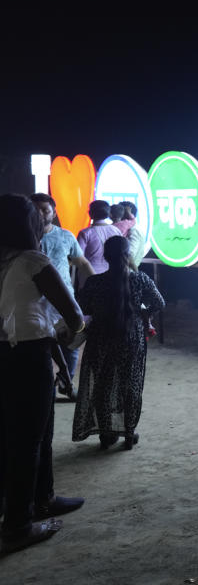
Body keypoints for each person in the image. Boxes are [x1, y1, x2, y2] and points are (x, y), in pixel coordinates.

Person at [0, 194, 85, 555]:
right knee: (31, 439)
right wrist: (73, 330)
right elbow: (73, 314)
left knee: (23, 433)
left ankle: (42, 498)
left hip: (7, 353)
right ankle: (20, 523)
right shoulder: (34, 260)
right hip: (29, 356)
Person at [72, 236, 164, 450]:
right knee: (130, 384)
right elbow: (159, 302)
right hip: (131, 339)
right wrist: (143, 314)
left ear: (105, 256)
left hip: (101, 339)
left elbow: (83, 308)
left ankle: (106, 434)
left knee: (103, 385)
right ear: (127, 255)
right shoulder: (140, 279)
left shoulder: (95, 282)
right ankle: (129, 433)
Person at [29, 193, 94, 388]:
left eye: (45, 210)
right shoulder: (22, 239)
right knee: (40, 346)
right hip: (33, 302)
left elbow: (81, 262)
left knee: (72, 342)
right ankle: (45, 385)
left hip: (63, 299)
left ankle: (66, 382)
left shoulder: (65, 236)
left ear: (54, 212)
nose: (40, 214)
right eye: (36, 210)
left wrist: (97, 284)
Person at [77, 200, 121, 281]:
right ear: (108, 213)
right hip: (112, 275)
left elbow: (79, 257)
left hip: (89, 275)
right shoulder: (116, 231)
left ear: (90, 213)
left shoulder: (85, 233)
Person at [118, 201, 147, 268]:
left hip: (126, 272)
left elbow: (130, 254)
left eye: (119, 211)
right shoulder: (130, 228)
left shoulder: (134, 230)